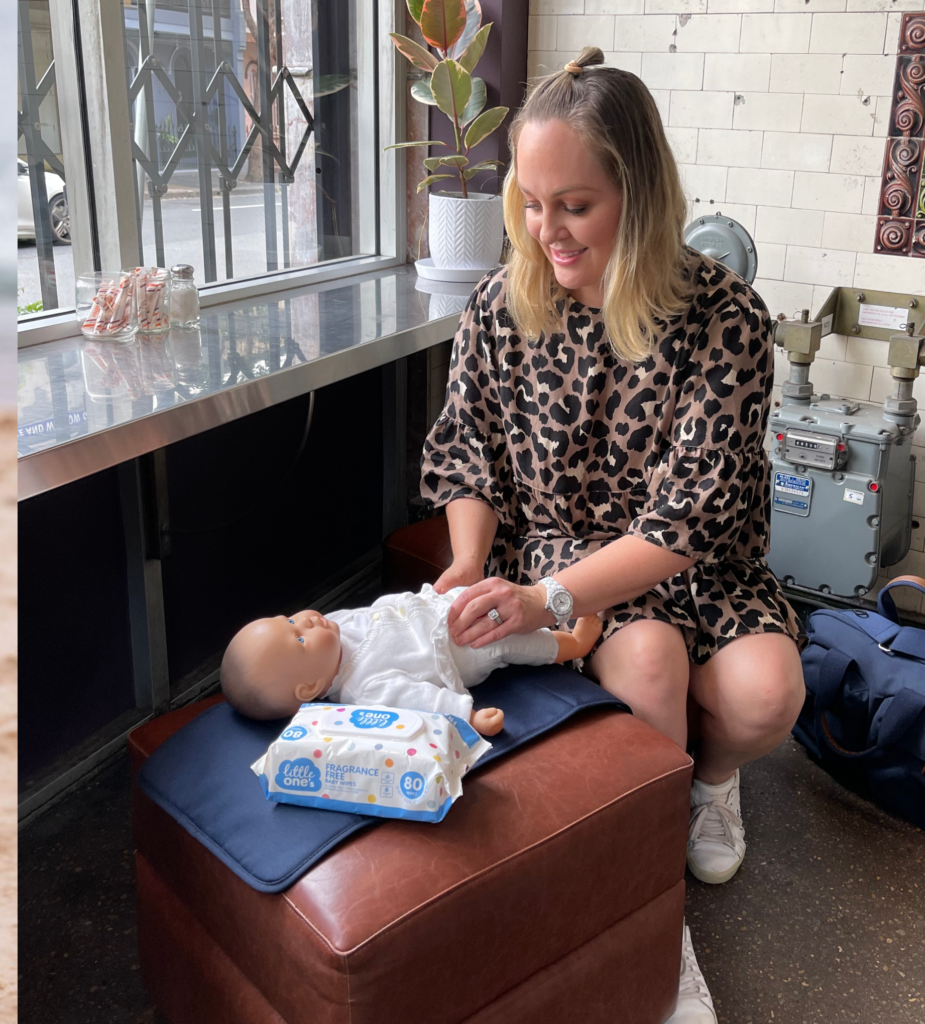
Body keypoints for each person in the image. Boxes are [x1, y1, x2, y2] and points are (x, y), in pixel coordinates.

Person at [420, 47, 806, 1024]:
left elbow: (685, 520)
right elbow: (468, 446)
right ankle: (650, 887)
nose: (545, 229)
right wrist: (468, 561)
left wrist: (544, 602)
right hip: (565, 563)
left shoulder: (723, 317)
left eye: (574, 205)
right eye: (531, 200)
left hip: (698, 566)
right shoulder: (504, 304)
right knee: (645, 666)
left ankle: (707, 781)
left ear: (637, 190)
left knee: (767, 694)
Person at [220, 584, 603, 735]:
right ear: (311, 687)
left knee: (485, 596)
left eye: (288, 620)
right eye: (300, 638)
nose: (304, 620)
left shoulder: (332, 628)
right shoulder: (365, 688)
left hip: (437, 609)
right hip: (461, 648)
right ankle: (573, 644)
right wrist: (467, 716)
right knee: (508, 641)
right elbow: (419, 704)